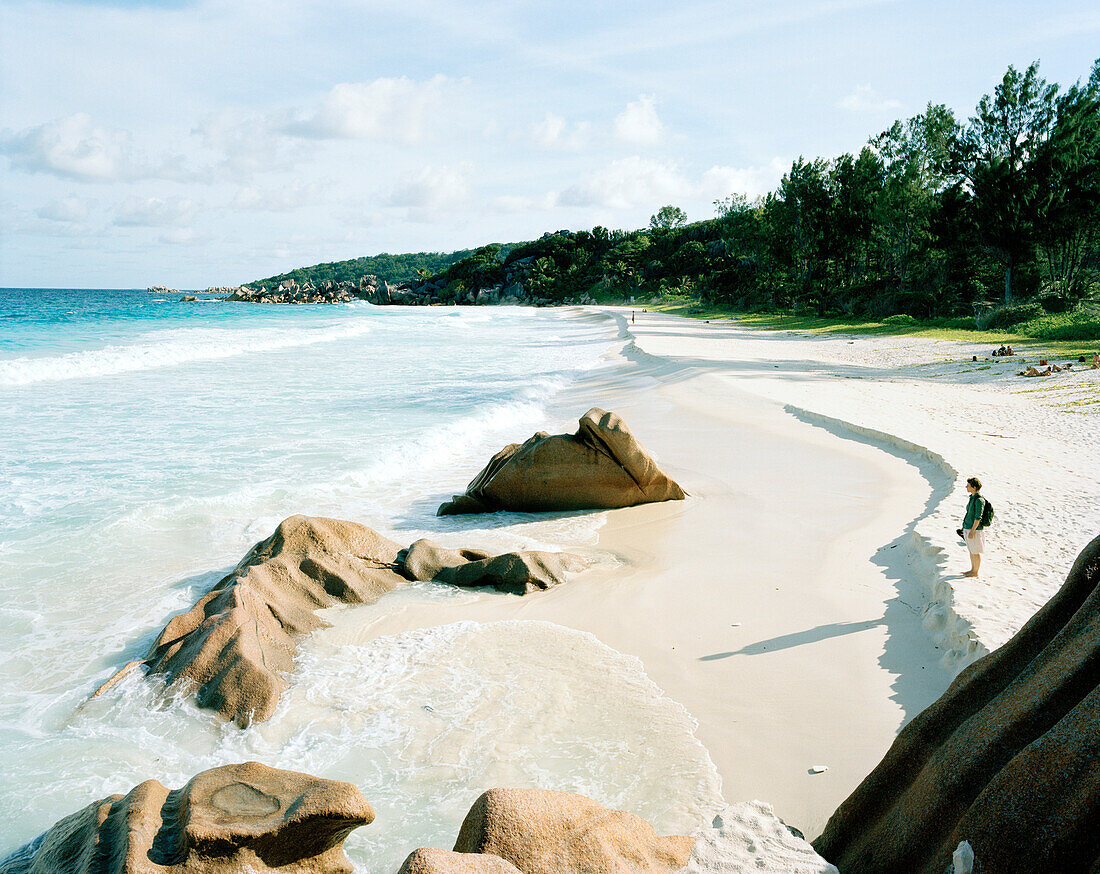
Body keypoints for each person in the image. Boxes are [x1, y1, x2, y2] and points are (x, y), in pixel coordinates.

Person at [961, 477, 988, 577]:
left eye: (968, 485)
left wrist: (973, 531)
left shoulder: (979, 500)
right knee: (971, 550)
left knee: (975, 551)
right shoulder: (972, 498)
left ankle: (975, 572)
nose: (966, 487)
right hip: (968, 527)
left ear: (974, 487)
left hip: (975, 529)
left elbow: (978, 517)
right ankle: (972, 570)